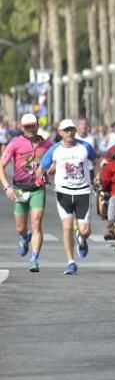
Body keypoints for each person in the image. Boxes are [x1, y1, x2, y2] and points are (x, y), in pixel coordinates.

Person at [39, 119, 98, 275]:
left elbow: (96, 161)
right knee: (67, 226)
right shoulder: (55, 149)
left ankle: (82, 239)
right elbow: (41, 167)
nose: (69, 132)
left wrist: (97, 177)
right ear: (60, 133)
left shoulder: (85, 147)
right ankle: (71, 262)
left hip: (83, 192)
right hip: (63, 192)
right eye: (66, 130)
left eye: (72, 129)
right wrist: (42, 177)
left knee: (85, 230)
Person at [1, 114, 52, 272]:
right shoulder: (15, 143)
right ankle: (24, 237)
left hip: (38, 189)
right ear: (22, 128)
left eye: (33, 125)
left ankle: (34, 259)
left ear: (37, 125)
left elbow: (57, 163)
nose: (30, 129)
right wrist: (7, 187)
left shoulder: (47, 145)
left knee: (37, 223)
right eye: (27, 127)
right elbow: (1, 165)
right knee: (20, 228)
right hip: (19, 190)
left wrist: (48, 171)